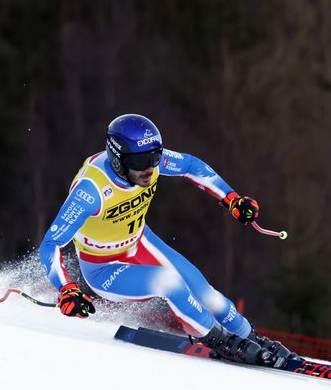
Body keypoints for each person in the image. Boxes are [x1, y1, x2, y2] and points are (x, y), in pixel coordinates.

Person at [38, 113, 295, 366]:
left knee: (209, 296)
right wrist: (67, 289)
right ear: (118, 159)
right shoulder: (90, 191)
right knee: (170, 284)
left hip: (140, 243)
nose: (150, 168)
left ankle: (249, 337)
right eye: (140, 161)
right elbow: (51, 245)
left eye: (155, 157)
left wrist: (231, 199)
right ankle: (218, 340)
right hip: (104, 267)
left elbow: (191, 166)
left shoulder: (150, 163)